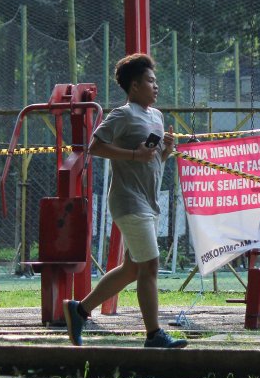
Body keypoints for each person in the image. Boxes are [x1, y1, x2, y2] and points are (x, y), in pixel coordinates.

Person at [63, 53, 187, 349]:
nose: (156, 87)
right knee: (151, 267)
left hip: (148, 201)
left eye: (156, 81)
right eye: (150, 81)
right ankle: (154, 335)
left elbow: (151, 160)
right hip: (128, 201)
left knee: (133, 269)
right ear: (134, 86)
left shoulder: (156, 117)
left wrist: (166, 150)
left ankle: (78, 310)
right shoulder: (122, 114)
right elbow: (94, 147)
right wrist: (132, 154)